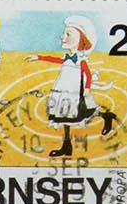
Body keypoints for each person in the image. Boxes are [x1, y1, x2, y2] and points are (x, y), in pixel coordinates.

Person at [35, 17, 118, 159]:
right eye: (64, 34)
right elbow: (56, 60)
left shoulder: (81, 59)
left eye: (68, 34)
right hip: (62, 89)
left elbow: (88, 74)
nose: (63, 37)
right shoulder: (68, 57)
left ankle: (107, 116)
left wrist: (87, 88)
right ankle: (66, 146)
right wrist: (39, 57)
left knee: (84, 112)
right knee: (63, 116)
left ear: (80, 40)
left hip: (75, 92)